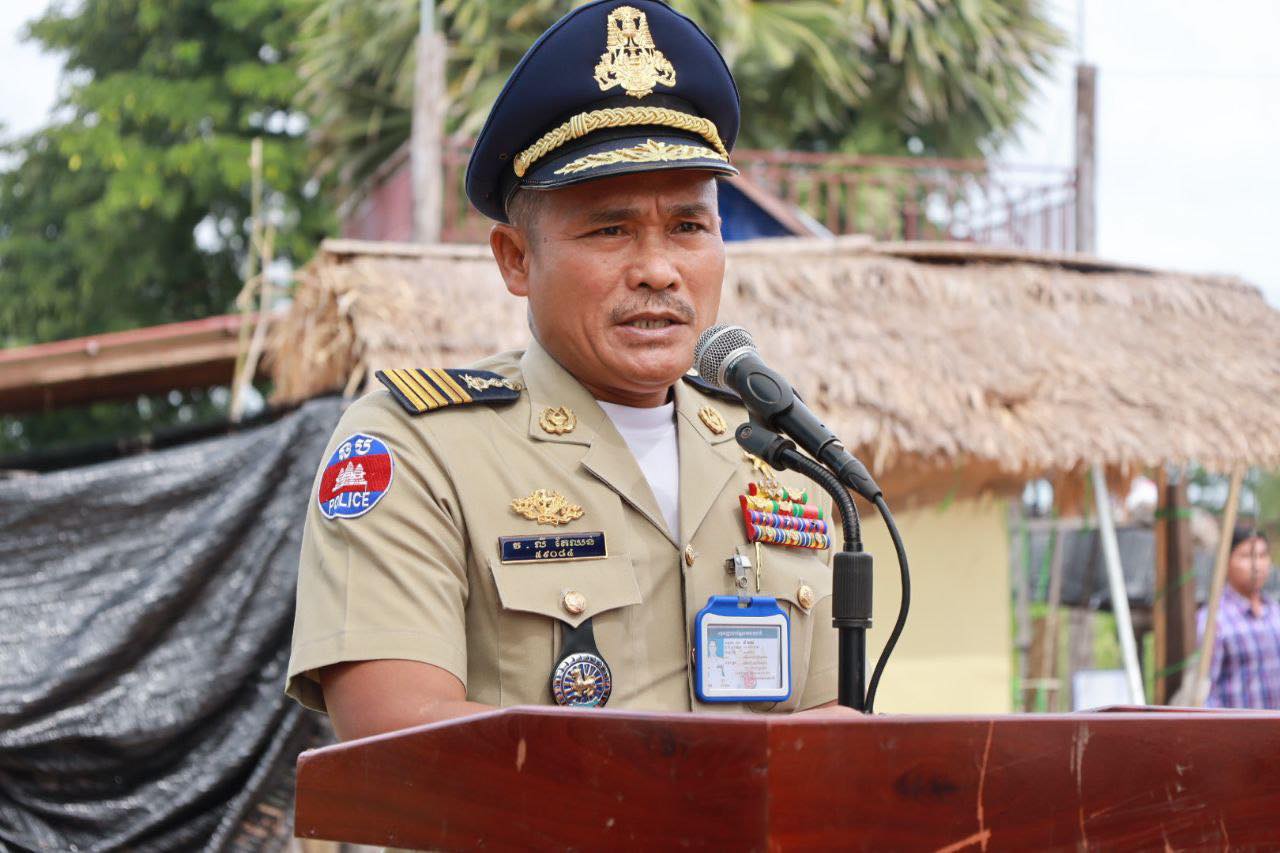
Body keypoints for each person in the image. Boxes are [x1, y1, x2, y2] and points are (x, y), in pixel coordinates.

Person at [286, 0, 842, 741]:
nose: (658, 270)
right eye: (610, 229)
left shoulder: (782, 462)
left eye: (688, 226)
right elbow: (396, 736)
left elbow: (835, 736)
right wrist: (692, 784)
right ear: (517, 259)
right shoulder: (415, 449)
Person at [1198, 526, 1280, 709]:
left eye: (1262, 556)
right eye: (1246, 556)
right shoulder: (1214, 619)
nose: (1256, 565)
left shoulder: (1275, 613)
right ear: (1225, 562)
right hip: (1239, 726)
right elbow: (1205, 691)